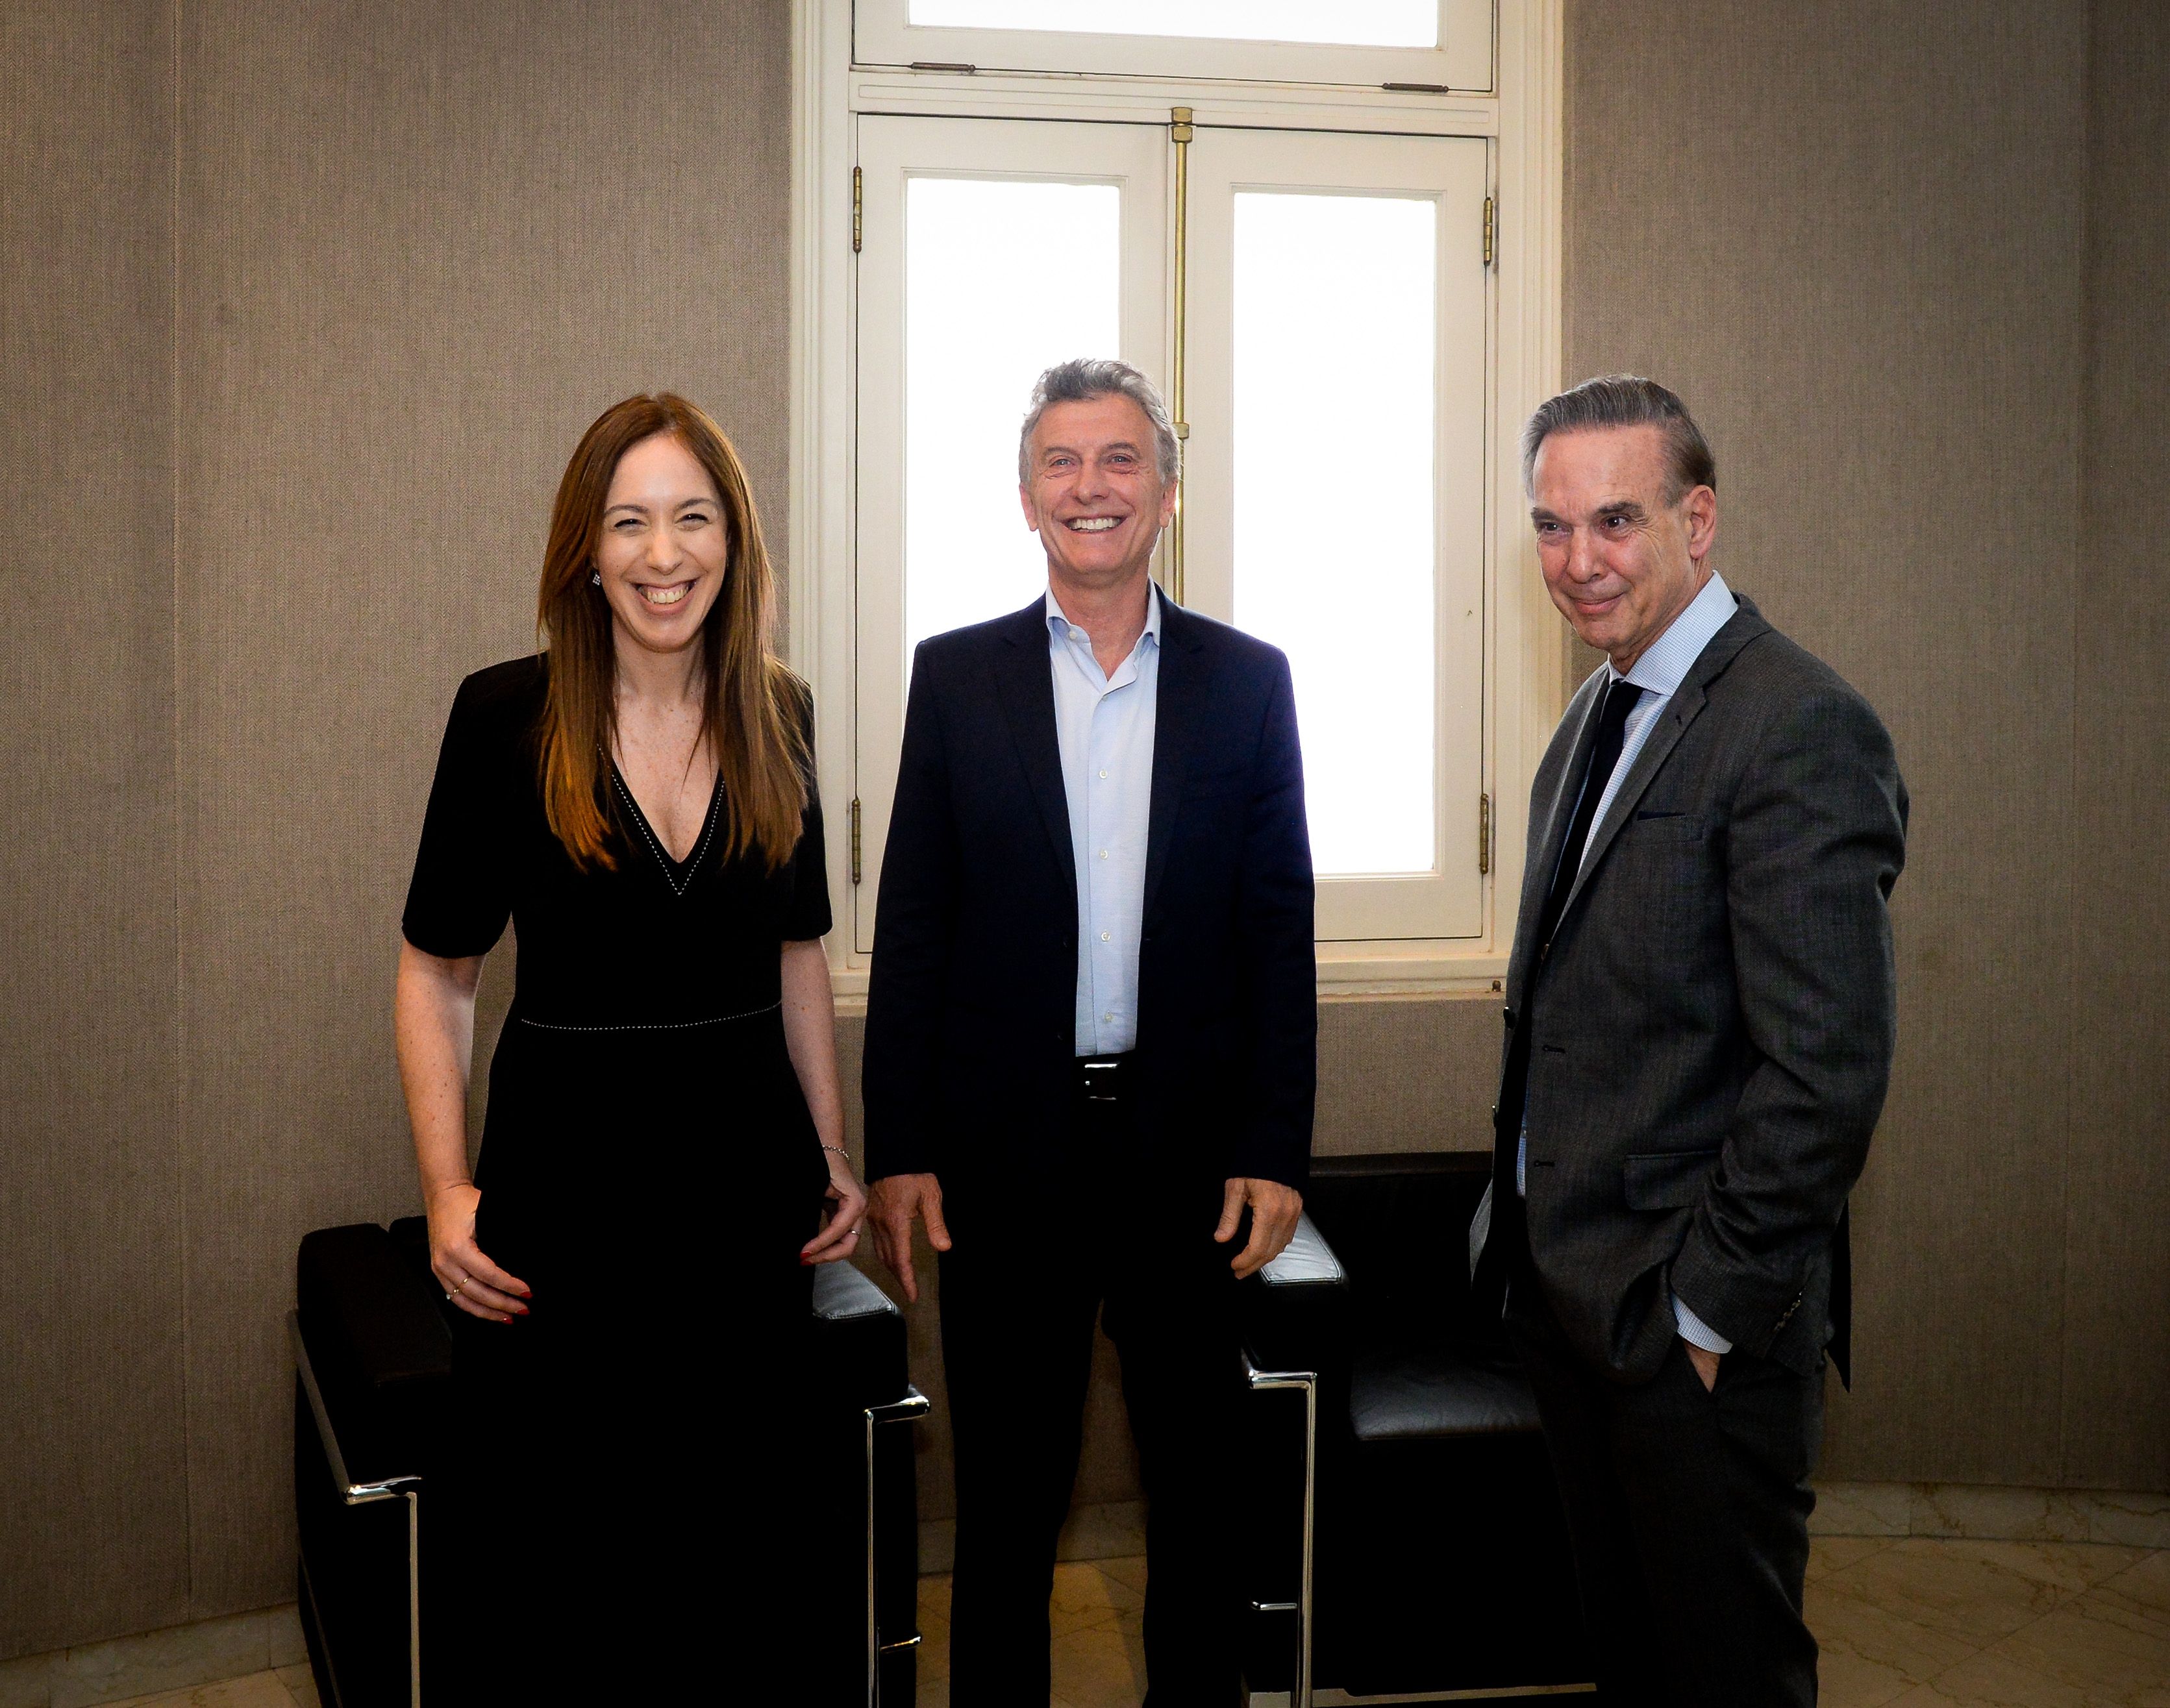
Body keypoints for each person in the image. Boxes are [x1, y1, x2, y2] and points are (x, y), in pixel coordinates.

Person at [393, 392, 865, 1697]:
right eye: (631, 522)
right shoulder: (504, 715)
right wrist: (445, 1188)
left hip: (744, 1206)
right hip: (565, 1204)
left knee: (737, 1572)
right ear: (585, 551)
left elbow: (798, 951)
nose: (665, 554)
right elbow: (436, 972)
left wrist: (831, 1148)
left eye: (693, 518)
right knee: (566, 1579)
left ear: (734, 540)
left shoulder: (783, 711)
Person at [862, 357, 1316, 1705]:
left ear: (1166, 492)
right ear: (1025, 498)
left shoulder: (1249, 681)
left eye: (1121, 459)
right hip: (1006, 1159)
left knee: (1201, 1492)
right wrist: (900, 1147)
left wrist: (1275, 1145)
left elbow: (1274, 930)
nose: (1090, 486)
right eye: (1060, 462)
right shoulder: (956, 679)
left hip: (1190, 1157)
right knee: (1008, 1501)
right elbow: (916, 924)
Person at [1468, 375, 1908, 1705]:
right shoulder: (1594, 716)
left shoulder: (1795, 721)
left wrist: (1703, 1313)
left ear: (1696, 520)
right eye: (1551, 526)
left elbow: (1825, 1070)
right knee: (1631, 1667)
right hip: (1574, 1306)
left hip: (1687, 1334)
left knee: (1726, 1677)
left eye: (1615, 520)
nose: (1578, 560)